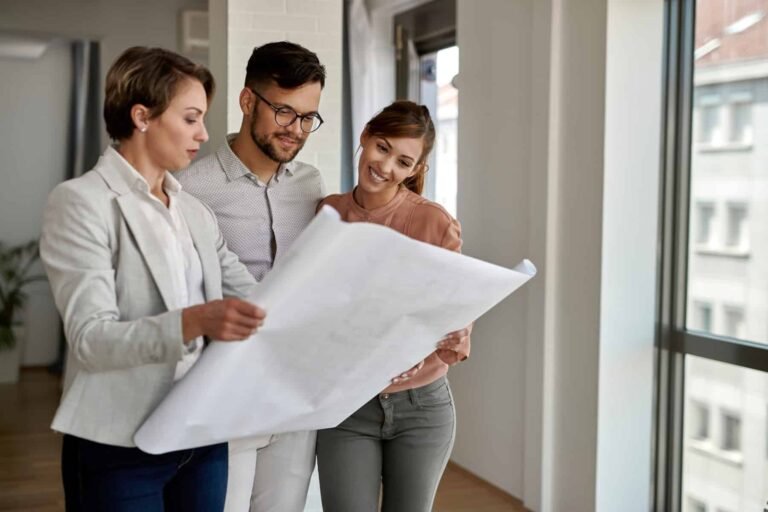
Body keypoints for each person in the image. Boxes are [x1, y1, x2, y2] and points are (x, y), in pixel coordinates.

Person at [39, 46, 266, 512]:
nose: (204, 134)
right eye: (190, 119)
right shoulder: (81, 202)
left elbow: (258, 300)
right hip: (119, 446)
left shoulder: (194, 212)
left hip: (201, 435)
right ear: (141, 116)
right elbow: (90, 339)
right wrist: (195, 322)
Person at [176, 41, 325, 512]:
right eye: (284, 112)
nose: (296, 130)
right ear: (247, 102)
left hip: (294, 384)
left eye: (307, 118)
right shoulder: (190, 188)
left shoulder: (312, 185)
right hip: (227, 386)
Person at [315, 100, 471, 512]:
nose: (386, 167)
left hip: (422, 408)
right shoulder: (327, 213)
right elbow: (314, 306)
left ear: (415, 170)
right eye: (382, 148)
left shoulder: (434, 222)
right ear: (365, 136)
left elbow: (455, 311)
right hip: (347, 404)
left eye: (403, 162)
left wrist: (453, 332)